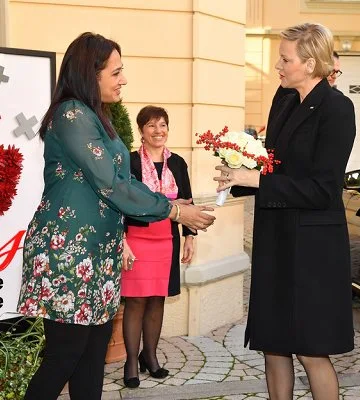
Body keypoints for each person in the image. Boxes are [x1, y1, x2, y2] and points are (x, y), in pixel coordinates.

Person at [16, 32, 215, 400]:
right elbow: (110, 183)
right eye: (117, 71)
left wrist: (173, 208)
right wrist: (174, 211)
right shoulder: (72, 113)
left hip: (99, 255)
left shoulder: (98, 117)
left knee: (92, 357)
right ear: (90, 73)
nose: (123, 79)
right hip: (68, 256)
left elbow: (125, 181)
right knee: (65, 357)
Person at [214, 23, 356, 400]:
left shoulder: (337, 108)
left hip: (313, 250)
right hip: (275, 239)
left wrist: (258, 181)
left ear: (310, 64)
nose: (278, 65)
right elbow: (275, 166)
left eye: (285, 58)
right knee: (273, 344)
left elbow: (323, 189)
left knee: (312, 350)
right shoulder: (283, 97)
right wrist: (238, 177)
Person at [120, 106, 195, 388]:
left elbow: (187, 202)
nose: (158, 130)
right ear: (141, 131)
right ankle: (130, 361)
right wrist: (122, 240)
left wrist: (190, 236)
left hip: (166, 241)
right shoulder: (129, 162)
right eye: (151, 125)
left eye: (163, 124)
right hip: (137, 240)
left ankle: (149, 356)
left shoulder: (177, 162)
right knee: (136, 300)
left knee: (157, 299)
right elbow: (122, 202)